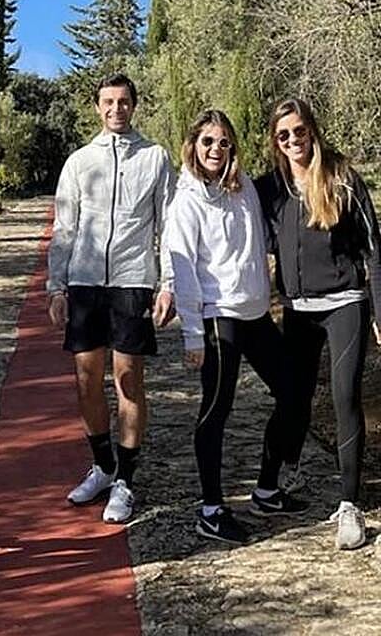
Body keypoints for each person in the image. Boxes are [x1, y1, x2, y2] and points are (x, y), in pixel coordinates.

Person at [169, 109, 307, 545]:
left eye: (224, 142)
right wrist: (193, 333)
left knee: (293, 392)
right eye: (208, 141)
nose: (217, 149)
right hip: (217, 317)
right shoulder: (186, 200)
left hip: (255, 312)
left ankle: (267, 488)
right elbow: (183, 269)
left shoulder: (243, 186)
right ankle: (211, 509)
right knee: (216, 409)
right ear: (194, 146)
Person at [48, 73, 175, 523]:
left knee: (128, 381)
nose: (116, 109)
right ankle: (101, 466)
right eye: (108, 102)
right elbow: (65, 227)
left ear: (134, 106)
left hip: (132, 280)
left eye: (123, 101)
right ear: (97, 107)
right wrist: (56, 285)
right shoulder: (80, 161)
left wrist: (168, 283)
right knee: (86, 380)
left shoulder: (156, 157)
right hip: (85, 282)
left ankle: (126, 479)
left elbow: (169, 225)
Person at [255, 98, 381, 550]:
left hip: (346, 302)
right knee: (294, 397)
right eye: (284, 135)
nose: (293, 141)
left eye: (300, 131)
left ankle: (349, 505)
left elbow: (373, 249)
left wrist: (380, 315)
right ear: (275, 140)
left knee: (346, 396)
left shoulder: (342, 178)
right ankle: (270, 482)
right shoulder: (269, 189)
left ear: (313, 130)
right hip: (297, 309)